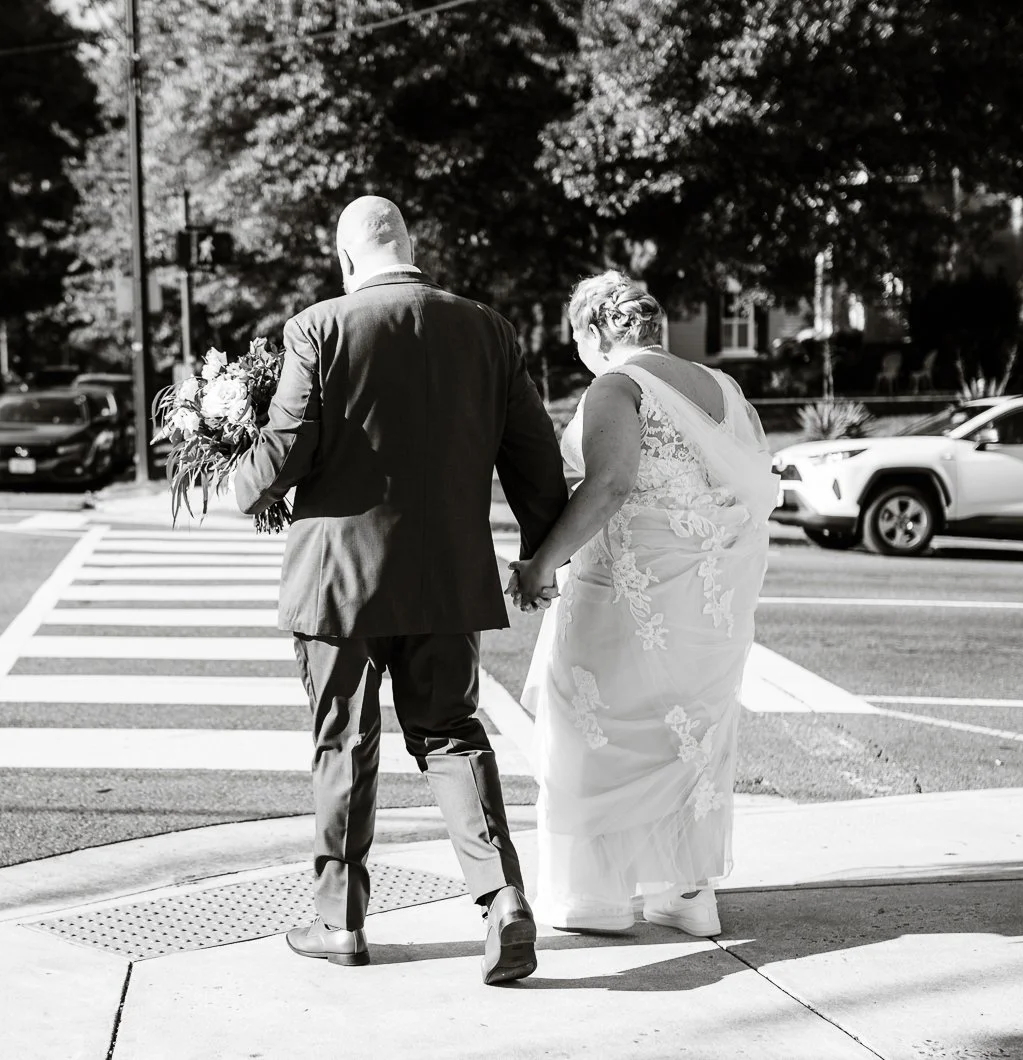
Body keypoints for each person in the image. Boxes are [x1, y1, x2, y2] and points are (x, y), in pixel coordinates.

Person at [234, 195, 568, 984]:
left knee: (344, 745)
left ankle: (339, 922)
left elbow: (286, 447)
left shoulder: (319, 327)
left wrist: (240, 483)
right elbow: (534, 459)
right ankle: (501, 901)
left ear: (346, 259)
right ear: (407, 247)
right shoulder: (488, 328)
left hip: (337, 585)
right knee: (452, 736)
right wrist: (538, 554)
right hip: (448, 579)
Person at [508, 271, 778, 937]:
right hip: (707, 601)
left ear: (596, 331)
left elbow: (608, 487)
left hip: (626, 592)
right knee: (687, 738)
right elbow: (745, 487)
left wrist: (541, 561)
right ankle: (688, 895)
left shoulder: (616, 387)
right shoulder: (721, 387)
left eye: (576, 339)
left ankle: (593, 899)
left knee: (587, 730)